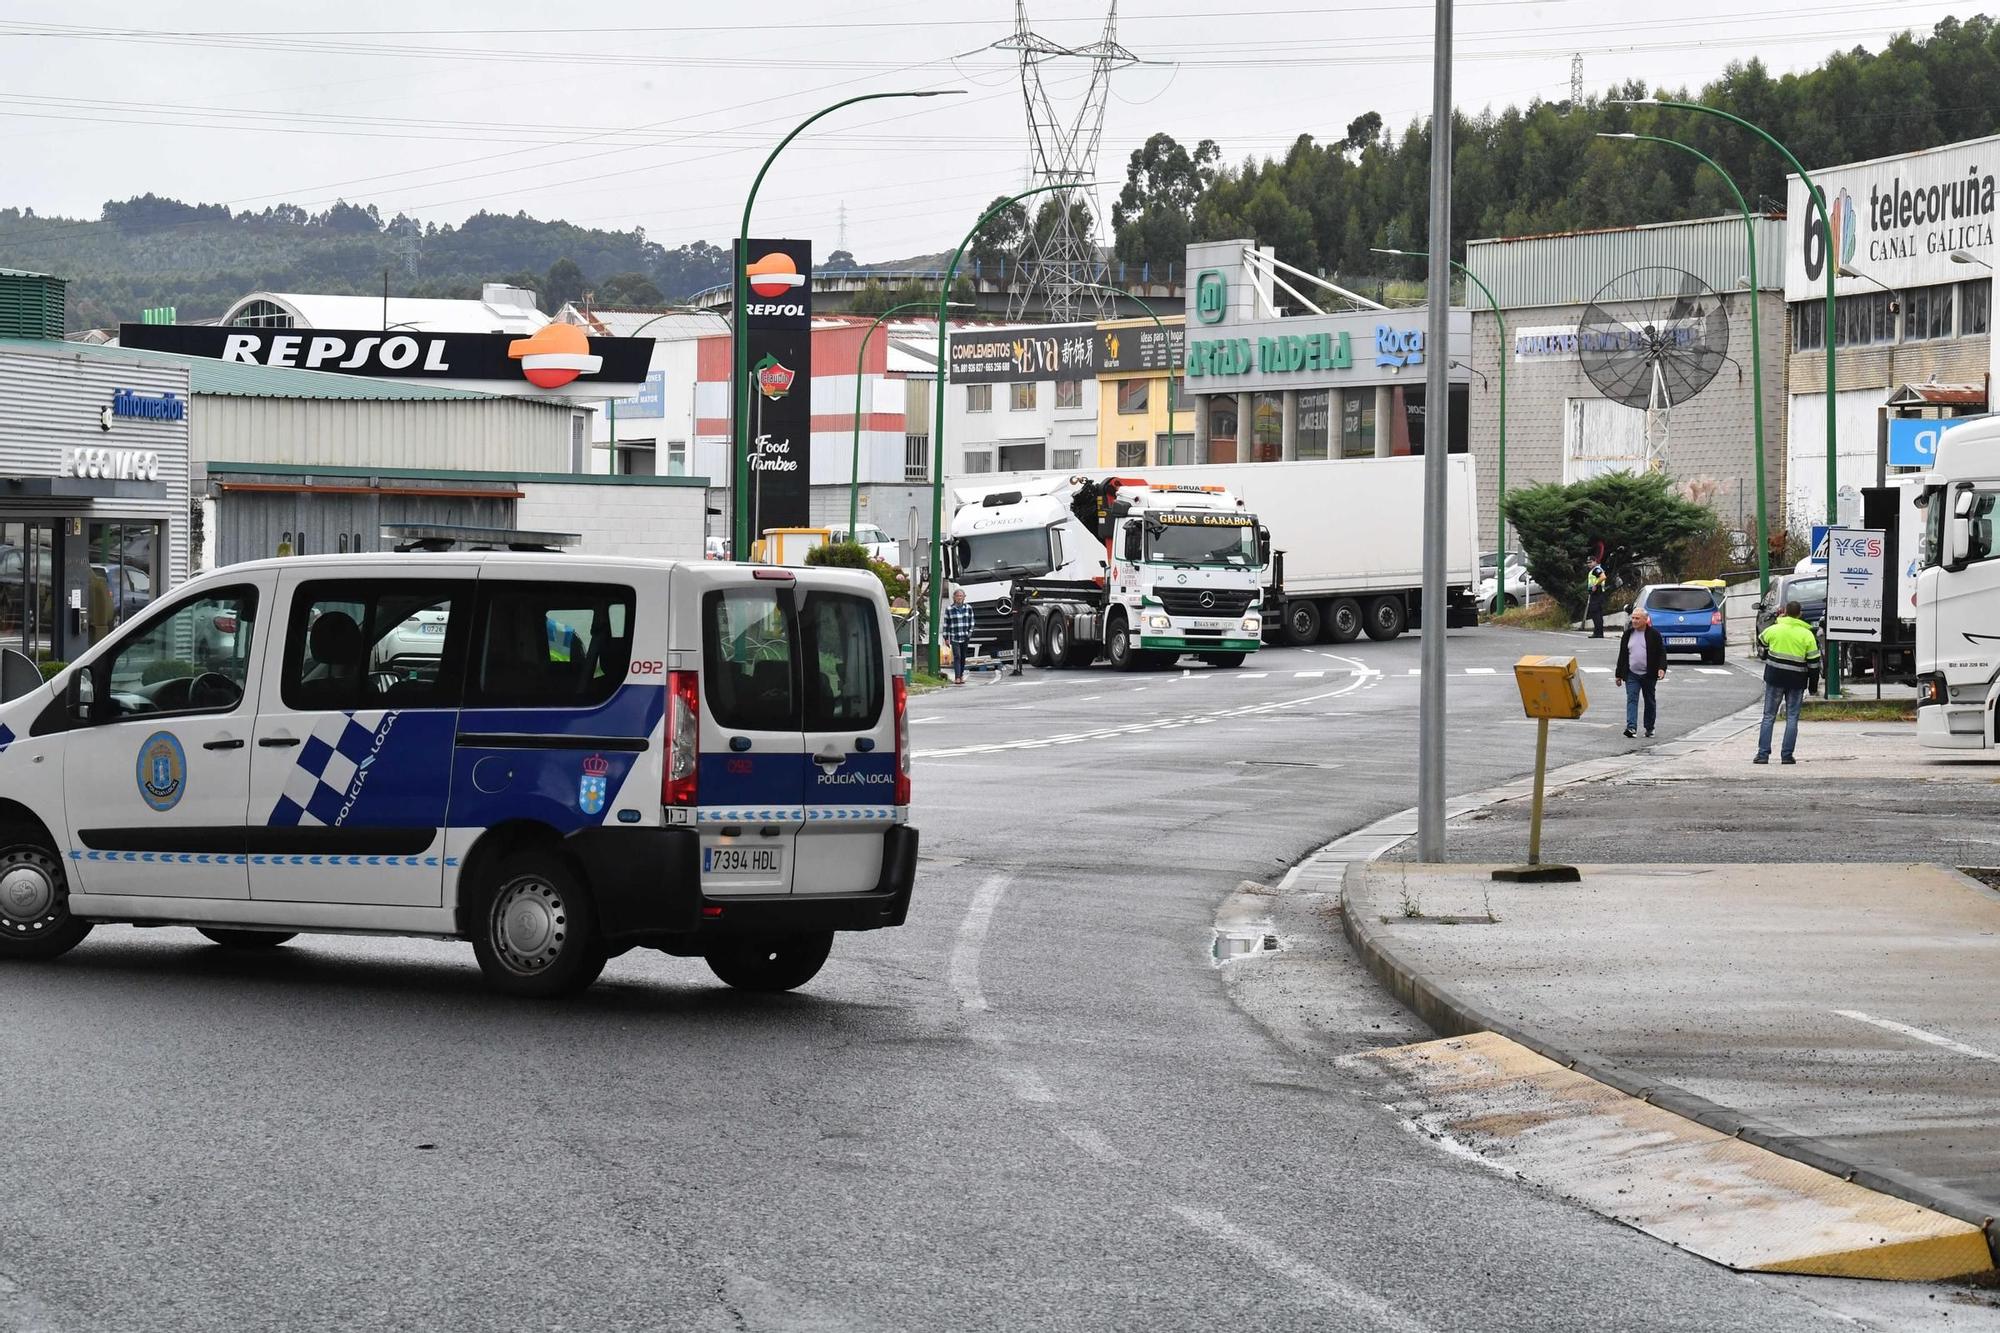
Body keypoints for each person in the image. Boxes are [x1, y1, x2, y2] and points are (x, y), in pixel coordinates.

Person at [1755, 600, 1822, 765]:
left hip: (1774, 678)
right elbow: (1814, 664)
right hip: (1797, 681)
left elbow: (1761, 641)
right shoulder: (1807, 635)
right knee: (1792, 717)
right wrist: (1813, 687)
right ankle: (1787, 755)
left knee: (1769, 716)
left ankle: (1763, 755)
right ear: (1800, 614)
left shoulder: (1774, 629)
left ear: (1784, 612)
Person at [1613, 607, 1667, 739]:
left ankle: (1649, 727)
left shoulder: (1654, 634)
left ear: (1645, 619)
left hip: (1649, 674)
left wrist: (1661, 668)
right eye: (1633, 618)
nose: (1634, 621)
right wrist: (1618, 674)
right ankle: (1631, 727)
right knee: (1632, 699)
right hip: (1632, 674)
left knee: (1649, 700)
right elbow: (1623, 655)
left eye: (1637, 618)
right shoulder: (1628, 634)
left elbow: (1661, 653)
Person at [943, 587, 975, 685]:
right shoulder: (949, 609)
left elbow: (972, 621)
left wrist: (970, 632)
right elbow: (946, 624)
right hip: (954, 636)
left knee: (963, 656)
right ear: (954, 597)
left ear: (964, 597)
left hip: (965, 636)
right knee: (957, 656)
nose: (959, 598)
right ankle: (957, 677)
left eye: (961, 596)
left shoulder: (968, 608)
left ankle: (961, 675)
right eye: (957, 596)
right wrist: (946, 638)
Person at [1585, 561, 1609, 638]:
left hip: (1597, 594)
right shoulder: (1593, 570)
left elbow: (1603, 577)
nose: (1589, 564)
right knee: (1596, 613)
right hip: (1595, 594)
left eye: (1590, 562)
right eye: (1588, 563)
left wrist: (1595, 585)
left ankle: (1598, 633)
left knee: (1596, 613)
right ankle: (1598, 632)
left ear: (1595, 562)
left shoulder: (1596, 569)